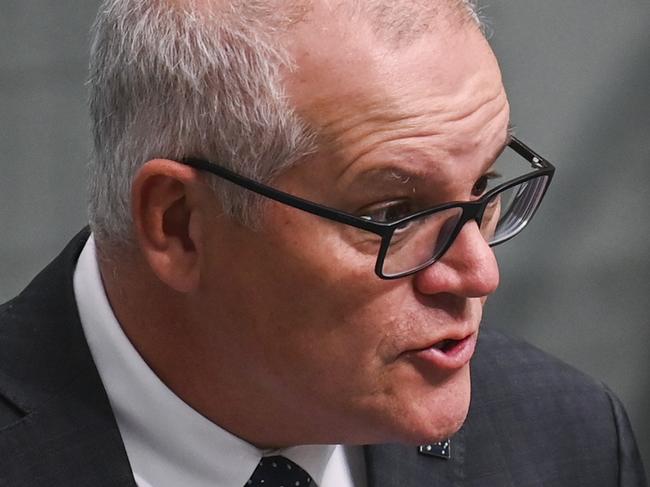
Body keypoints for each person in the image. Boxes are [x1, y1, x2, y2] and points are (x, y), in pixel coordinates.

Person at [0, 0, 646, 485]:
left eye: (485, 186)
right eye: (396, 211)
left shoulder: (567, 439)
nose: (478, 273)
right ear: (179, 223)